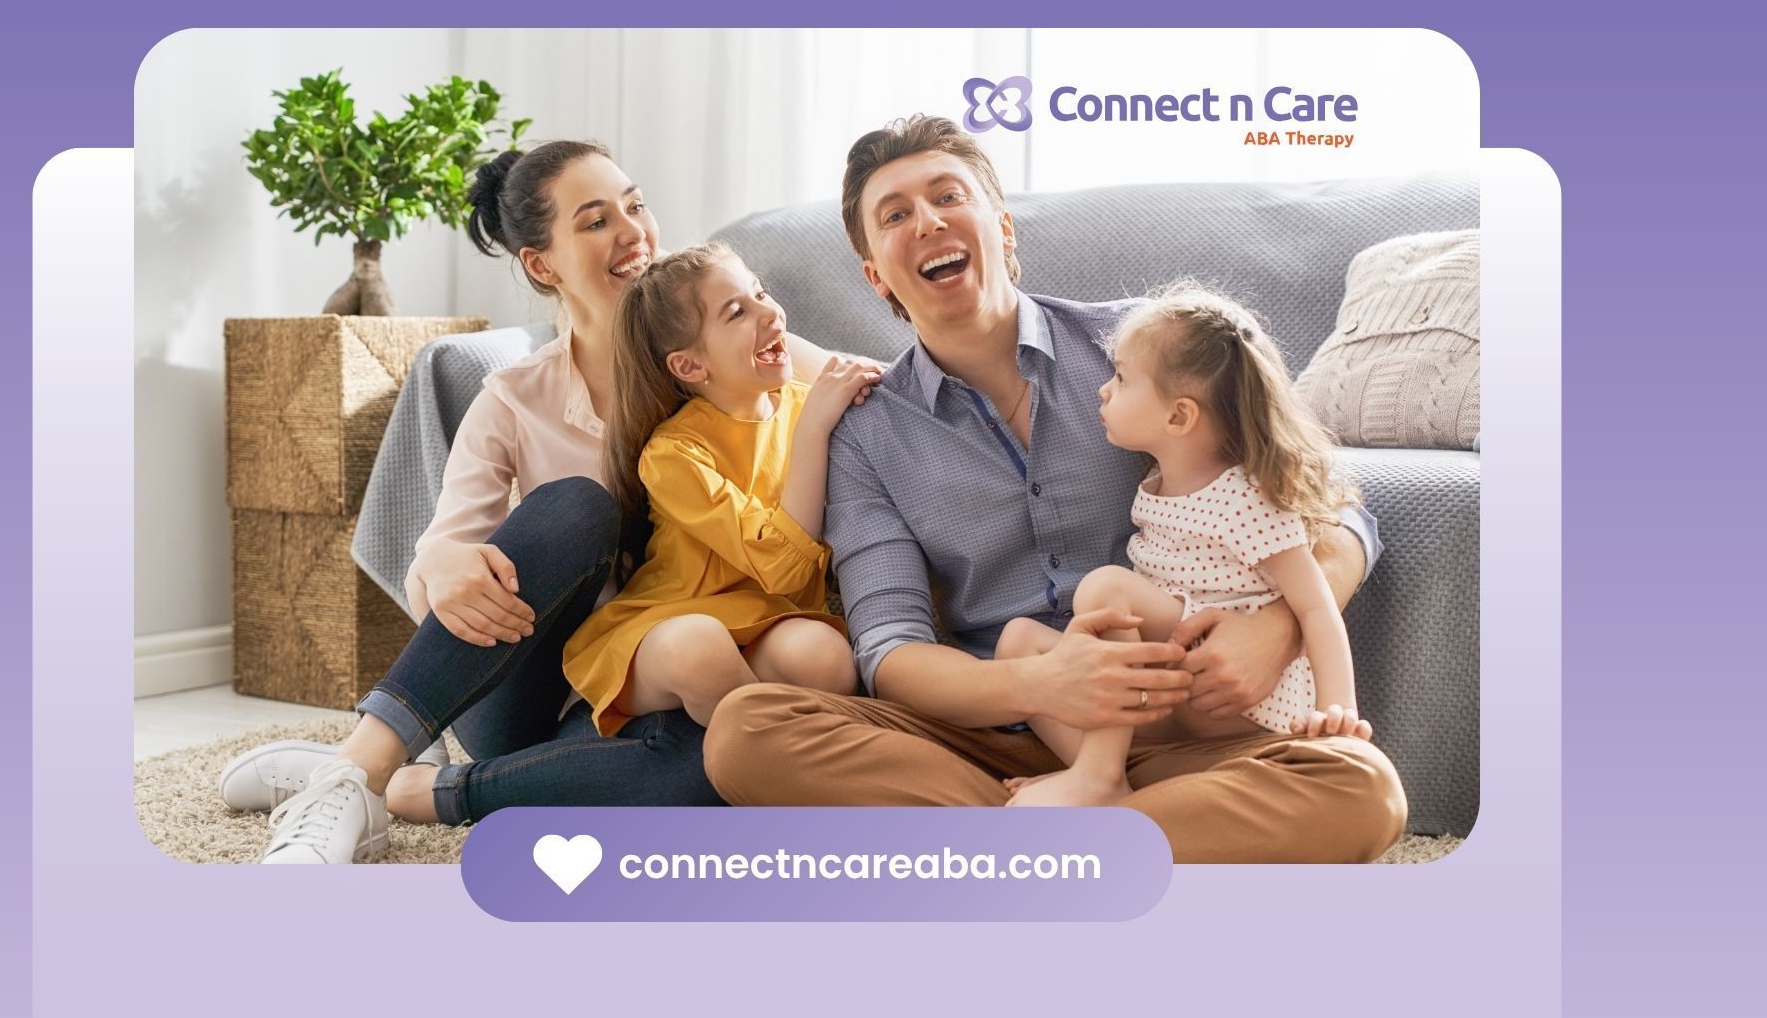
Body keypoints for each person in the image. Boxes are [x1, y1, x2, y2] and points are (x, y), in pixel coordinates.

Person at [702, 115, 1409, 862]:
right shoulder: (867, 434)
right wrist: (1043, 685)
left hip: (1184, 735)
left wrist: (1279, 625)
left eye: (948, 196)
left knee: (1362, 786)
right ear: (876, 274)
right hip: (988, 743)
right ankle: (1112, 848)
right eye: (896, 215)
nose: (928, 222)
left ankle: (1018, 856)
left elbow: (1334, 509)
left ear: (1002, 228)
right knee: (747, 729)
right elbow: (889, 650)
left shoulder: (1145, 346)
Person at [217, 141, 865, 864]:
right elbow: (437, 563)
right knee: (578, 507)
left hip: (681, 684)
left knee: (730, 768)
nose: (632, 232)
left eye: (635, 204)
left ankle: (417, 784)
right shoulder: (516, 399)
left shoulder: (724, 342)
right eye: (594, 222)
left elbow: (868, 389)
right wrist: (445, 559)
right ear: (541, 263)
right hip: (537, 696)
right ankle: (359, 773)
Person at [998, 284, 1372, 808]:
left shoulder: (1245, 498)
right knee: (1017, 643)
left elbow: (1314, 605)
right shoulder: (1157, 484)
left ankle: (1099, 775)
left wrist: (1338, 712)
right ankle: (1105, 779)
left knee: (1107, 588)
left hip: (1240, 699)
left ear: (1179, 417)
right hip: (1174, 683)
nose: (1103, 391)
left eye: (1122, 379)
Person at [560, 243, 878, 732]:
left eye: (760, 292)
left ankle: (731, 733)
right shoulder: (671, 455)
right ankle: (763, 764)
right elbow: (783, 568)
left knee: (826, 657)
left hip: (766, 621)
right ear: (689, 366)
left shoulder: (805, 406)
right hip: (670, 626)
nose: (769, 311)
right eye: (737, 312)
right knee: (701, 649)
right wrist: (815, 428)